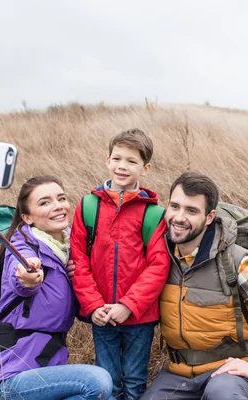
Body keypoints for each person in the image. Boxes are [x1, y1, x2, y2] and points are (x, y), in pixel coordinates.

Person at [142, 172, 248, 400]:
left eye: (191, 211)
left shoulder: (238, 263)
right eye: (174, 206)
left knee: (223, 395)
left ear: (210, 217)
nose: (179, 217)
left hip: (229, 372)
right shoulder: (158, 256)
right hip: (178, 373)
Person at [0, 175, 114, 400]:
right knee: (97, 381)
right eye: (44, 202)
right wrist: (29, 276)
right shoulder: (22, 246)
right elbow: (22, 276)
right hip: (9, 378)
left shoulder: (70, 246)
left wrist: (79, 277)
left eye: (60, 198)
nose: (57, 206)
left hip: (46, 371)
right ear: (27, 217)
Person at [71, 129, 171, 400]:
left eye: (132, 161)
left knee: (135, 380)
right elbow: (78, 260)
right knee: (107, 379)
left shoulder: (153, 213)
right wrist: (93, 305)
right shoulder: (88, 206)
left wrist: (128, 305)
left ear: (146, 168)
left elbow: (159, 265)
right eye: (117, 158)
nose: (122, 166)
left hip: (139, 316)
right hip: (101, 312)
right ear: (107, 160)